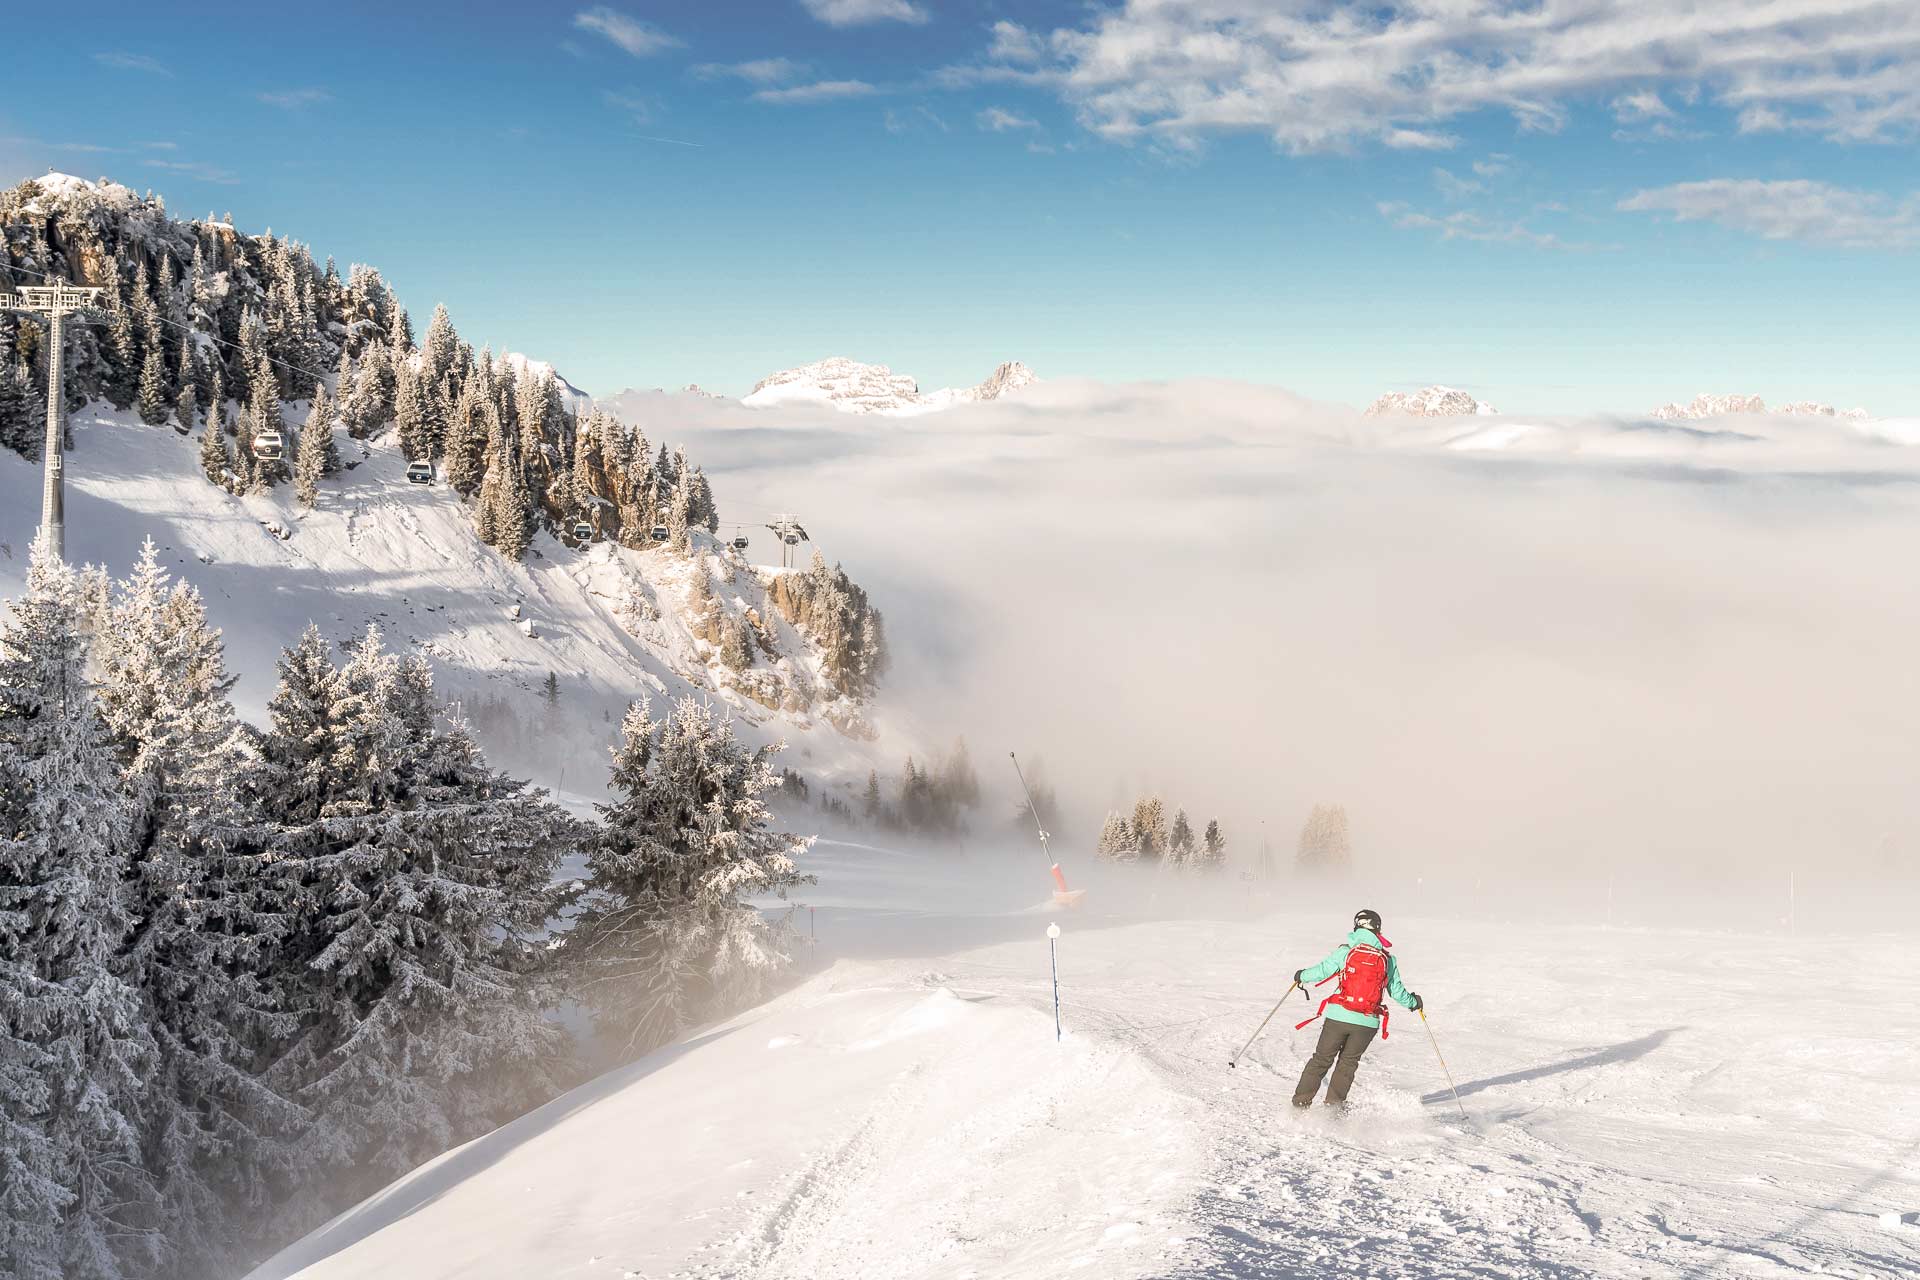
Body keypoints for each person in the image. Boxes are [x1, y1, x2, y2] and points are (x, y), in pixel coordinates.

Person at [1289, 908, 1421, 1109]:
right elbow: (1397, 991)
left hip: (1338, 1017)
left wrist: (1301, 975)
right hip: (1367, 1022)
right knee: (1347, 1065)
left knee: (1321, 1060)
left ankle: (1299, 1106)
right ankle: (1332, 1109)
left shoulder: (1346, 951)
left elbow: (1322, 971)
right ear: (1377, 929)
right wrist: (1414, 1003)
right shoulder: (1387, 959)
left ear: (1356, 926)